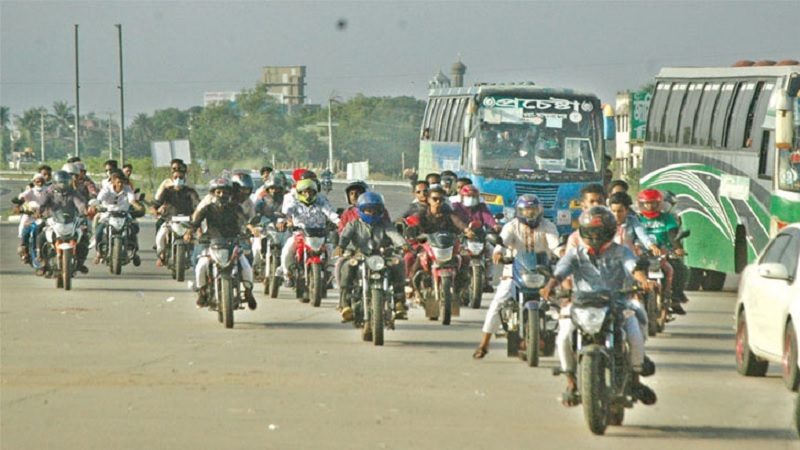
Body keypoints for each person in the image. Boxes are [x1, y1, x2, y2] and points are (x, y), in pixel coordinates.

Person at [540, 206, 657, 407]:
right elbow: (560, 271)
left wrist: (643, 280)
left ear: (610, 232)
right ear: (583, 233)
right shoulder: (575, 253)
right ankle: (570, 382)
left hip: (617, 303)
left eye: (600, 233)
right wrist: (549, 286)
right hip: (581, 304)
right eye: (591, 233)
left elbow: (634, 267)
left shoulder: (621, 251)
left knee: (635, 333)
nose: (595, 237)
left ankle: (636, 378)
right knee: (564, 336)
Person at [473, 194, 559, 359]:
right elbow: (502, 243)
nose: (530, 214)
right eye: (526, 211)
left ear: (539, 211)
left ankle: (571, 352)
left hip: (543, 273)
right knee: (497, 303)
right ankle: (484, 344)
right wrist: (498, 253)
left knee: (562, 308)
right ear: (520, 211)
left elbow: (554, 244)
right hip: (513, 273)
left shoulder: (548, 225)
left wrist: (562, 252)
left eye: (533, 210)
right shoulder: (511, 226)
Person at [336, 192, 408, 322]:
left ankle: (399, 301)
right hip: (359, 255)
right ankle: (345, 303)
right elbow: (345, 236)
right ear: (361, 210)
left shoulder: (385, 224)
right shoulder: (354, 224)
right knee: (346, 266)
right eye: (368, 210)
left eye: (375, 210)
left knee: (399, 262)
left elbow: (394, 235)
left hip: (382, 256)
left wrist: (403, 244)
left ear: (381, 211)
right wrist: (342, 246)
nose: (372, 213)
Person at [187, 177, 256, 310]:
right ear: (213, 193)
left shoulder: (236, 208)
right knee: (201, 266)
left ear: (230, 193)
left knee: (246, 266)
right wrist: (190, 232)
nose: (222, 195)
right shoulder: (207, 208)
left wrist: (250, 228)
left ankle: (248, 292)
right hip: (212, 244)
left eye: (225, 192)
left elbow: (244, 220)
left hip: (233, 243)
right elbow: (195, 223)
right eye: (218, 192)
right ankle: (202, 292)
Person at [277, 179, 339, 287]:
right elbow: (286, 213)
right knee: (287, 250)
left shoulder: (321, 202)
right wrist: (281, 221)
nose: (307, 194)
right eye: (304, 192)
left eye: (310, 192)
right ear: (299, 193)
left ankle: (329, 274)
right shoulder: (294, 202)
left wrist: (340, 222)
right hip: (300, 234)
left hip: (320, 235)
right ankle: (288, 275)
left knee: (331, 250)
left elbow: (330, 213)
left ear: (315, 192)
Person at [637, 189, 688, 315]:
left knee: (679, 269)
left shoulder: (667, 218)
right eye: (646, 203)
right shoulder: (636, 219)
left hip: (663, 253)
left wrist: (677, 247)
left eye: (653, 203)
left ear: (659, 204)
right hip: (641, 254)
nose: (649, 206)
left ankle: (674, 299)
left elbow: (672, 235)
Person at [36, 170, 90, 275]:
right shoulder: (49, 192)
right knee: (41, 236)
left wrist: (84, 210)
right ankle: (42, 260)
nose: (63, 185)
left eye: (65, 182)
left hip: (71, 220)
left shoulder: (73, 192)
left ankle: (81, 262)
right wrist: (39, 211)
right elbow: (42, 203)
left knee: (84, 237)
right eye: (61, 182)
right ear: (55, 183)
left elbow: (80, 203)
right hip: (53, 220)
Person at [91, 171, 142, 266]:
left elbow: (132, 200)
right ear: (113, 182)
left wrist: (138, 206)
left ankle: (134, 252)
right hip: (108, 214)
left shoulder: (127, 189)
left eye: (122, 182)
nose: (120, 184)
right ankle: (98, 253)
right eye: (118, 182)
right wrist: (95, 206)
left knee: (134, 228)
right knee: (98, 231)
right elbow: (99, 199)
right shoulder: (106, 189)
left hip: (124, 214)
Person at [153, 169, 200, 266]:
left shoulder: (190, 192)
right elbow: (157, 203)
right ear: (172, 178)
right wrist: (155, 210)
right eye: (175, 177)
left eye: (181, 178)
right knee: (160, 238)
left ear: (184, 178)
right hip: (170, 221)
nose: (178, 179)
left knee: (198, 240)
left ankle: (194, 257)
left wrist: (197, 213)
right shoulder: (167, 191)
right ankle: (161, 256)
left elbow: (197, 205)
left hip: (187, 222)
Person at [15, 173, 50, 264]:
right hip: (30, 216)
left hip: (44, 217)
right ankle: (24, 253)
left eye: (41, 181)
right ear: (34, 182)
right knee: (24, 232)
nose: (40, 183)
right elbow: (22, 197)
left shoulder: (48, 191)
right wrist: (18, 205)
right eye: (37, 181)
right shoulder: (31, 191)